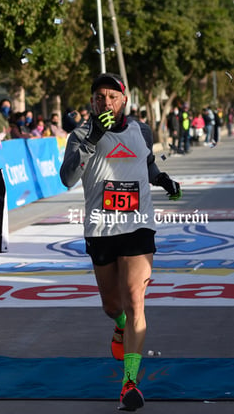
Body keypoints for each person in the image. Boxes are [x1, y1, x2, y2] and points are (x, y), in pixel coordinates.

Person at [59, 73, 181, 412]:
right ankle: (119, 325)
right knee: (114, 307)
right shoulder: (81, 134)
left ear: (124, 100)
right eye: (100, 97)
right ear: (92, 102)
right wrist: (93, 138)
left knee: (135, 301)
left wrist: (163, 179)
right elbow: (67, 178)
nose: (106, 102)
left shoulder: (141, 130)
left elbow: (147, 163)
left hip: (138, 226)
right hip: (100, 229)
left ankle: (130, 383)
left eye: (113, 96)